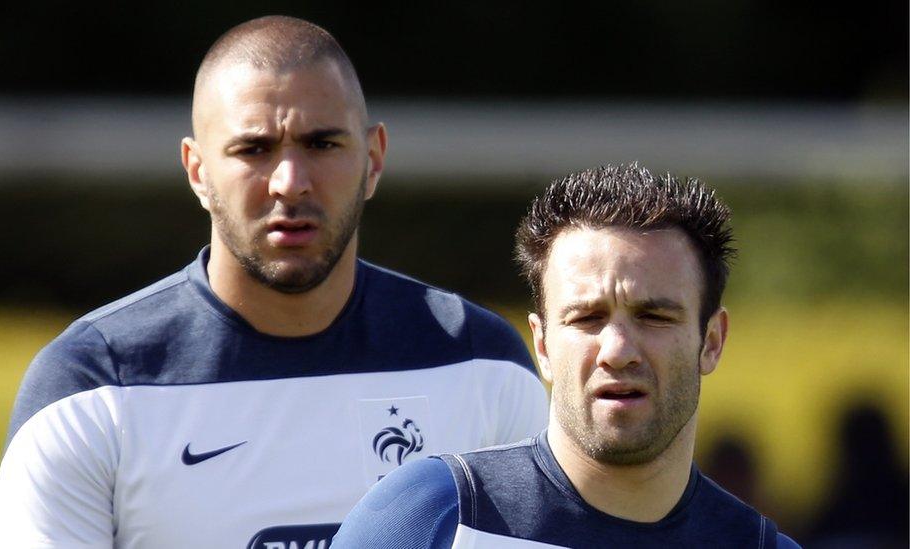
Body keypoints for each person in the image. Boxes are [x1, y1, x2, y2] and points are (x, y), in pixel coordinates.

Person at [0, 16, 548, 548]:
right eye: (253, 149)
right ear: (198, 170)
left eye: (322, 144)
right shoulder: (93, 387)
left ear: (373, 159)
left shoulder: (480, 367)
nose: (290, 182)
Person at [333, 163, 801, 548]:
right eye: (586, 318)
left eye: (654, 317)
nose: (617, 351)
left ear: (712, 341)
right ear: (542, 345)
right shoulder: (427, 519)